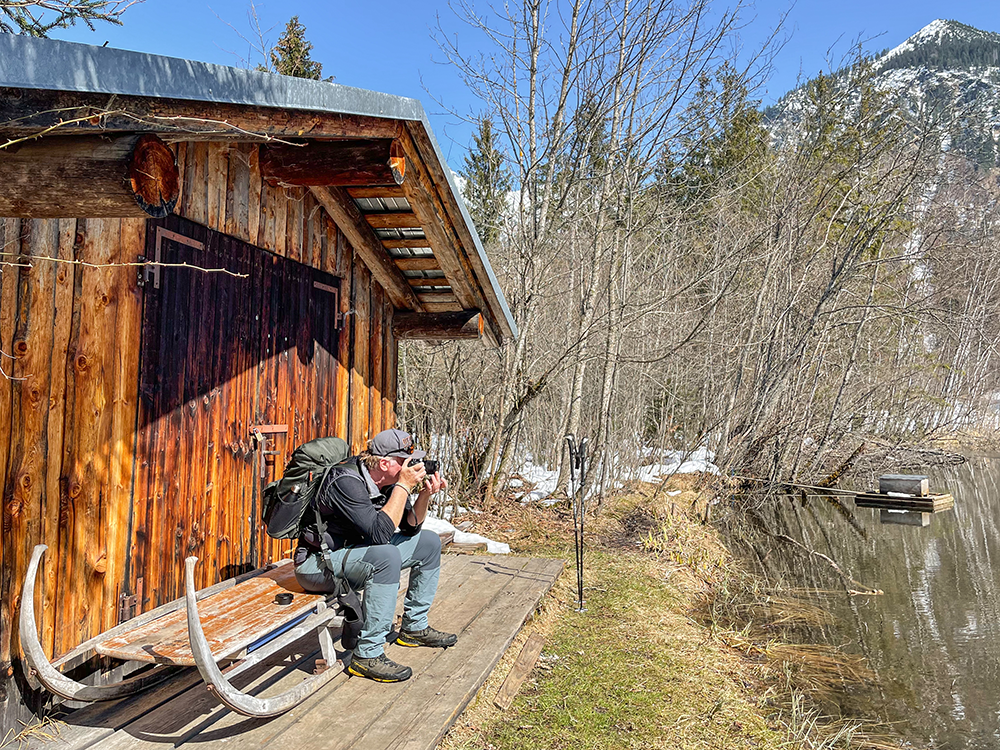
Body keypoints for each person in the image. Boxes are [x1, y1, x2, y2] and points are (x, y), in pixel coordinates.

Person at [293, 428, 457, 682]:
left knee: (428, 542)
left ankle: (414, 627)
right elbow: (381, 535)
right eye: (405, 462)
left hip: (355, 554)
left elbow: (411, 526)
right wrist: (404, 484)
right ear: (384, 463)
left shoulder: (389, 482)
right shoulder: (345, 481)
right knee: (386, 556)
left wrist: (423, 493)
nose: (413, 467)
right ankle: (367, 654)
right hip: (318, 565)